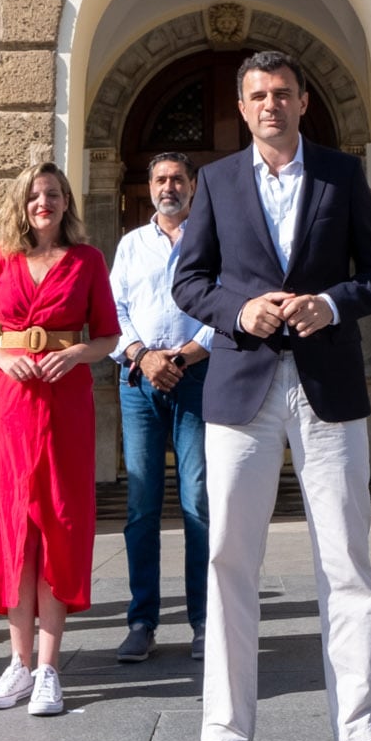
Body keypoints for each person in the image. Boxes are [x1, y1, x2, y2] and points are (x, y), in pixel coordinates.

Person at [170, 50, 371, 741]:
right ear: (242, 109)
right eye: (256, 96)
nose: (269, 105)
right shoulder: (215, 181)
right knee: (228, 564)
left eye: (281, 93)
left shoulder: (340, 176)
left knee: (345, 560)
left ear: (303, 102)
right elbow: (188, 280)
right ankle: (225, 736)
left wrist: (331, 303)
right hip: (240, 387)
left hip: (325, 385)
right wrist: (237, 311)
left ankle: (361, 729)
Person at [0, 161, 118, 717]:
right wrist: (5, 358)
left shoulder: (88, 260)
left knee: (57, 522)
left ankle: (49, 669)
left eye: (52, 194)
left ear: (65, 202)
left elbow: (106, 335)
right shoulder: (1, 259)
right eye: (34, 195)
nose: (43, 203)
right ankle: (18, 665)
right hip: (10, 404)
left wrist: (74, 353)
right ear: (21, 203)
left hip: (65, 401)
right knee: (12, 528)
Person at [110, 151, 214, 664]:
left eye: (177, 178)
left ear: (192, 186)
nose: (168, 186)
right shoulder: (131, 245)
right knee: (141, 504)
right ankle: (141, 621)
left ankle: (203, 622)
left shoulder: (212, 238)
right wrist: (142, 356)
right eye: (159, 178)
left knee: (198, 503)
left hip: (197, 379)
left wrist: (190, 352)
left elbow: (228, 302)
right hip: (139, 382)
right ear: (148, 186)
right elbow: (115, 310)